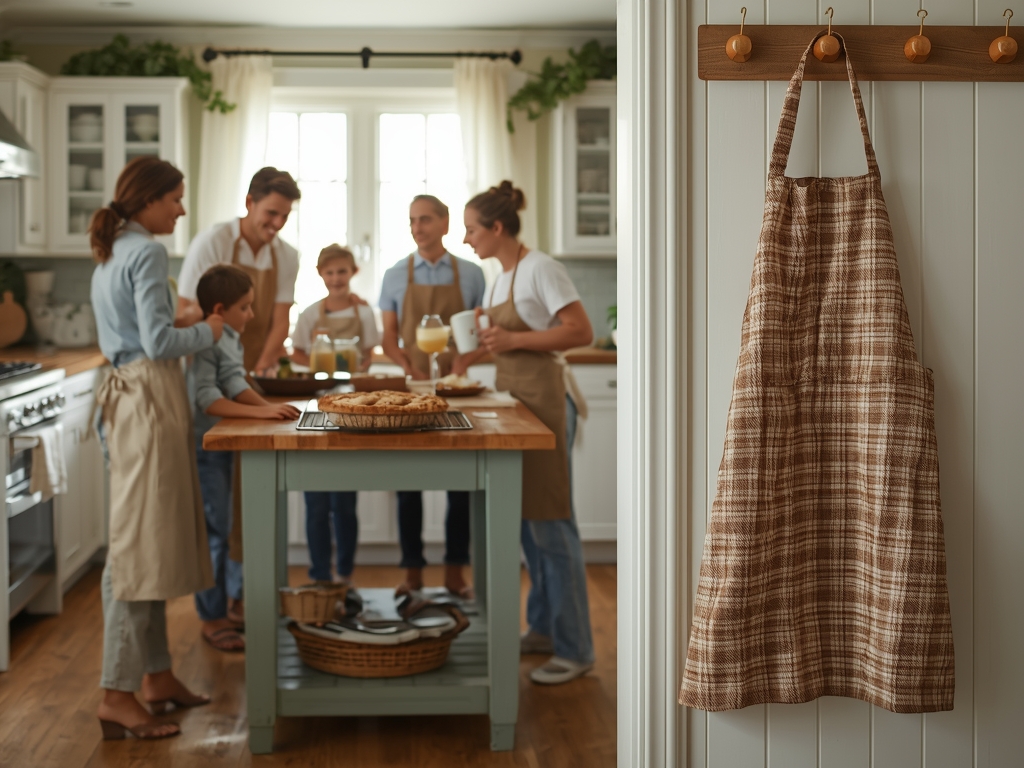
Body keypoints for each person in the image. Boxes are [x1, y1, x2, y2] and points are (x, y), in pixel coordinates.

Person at [89, 156, 222, 739]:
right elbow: (159, 340)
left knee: (145, 542)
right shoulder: (145, 251)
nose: (182, 209)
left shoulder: (118, 247)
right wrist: (211, 332)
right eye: (175, 199)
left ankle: (157, 677)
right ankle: (116, 692)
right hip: (146, 397)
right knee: (133, 551)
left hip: (133, 398)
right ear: (147, 201)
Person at [461, 181, 596, 685]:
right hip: (517, 402)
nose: (467, 238)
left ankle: (577, 648)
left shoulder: (542, 268)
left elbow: (579, 331)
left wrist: (513, 337)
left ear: (497, 228)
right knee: (527, 523)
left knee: (552, 524)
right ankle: (542, 628)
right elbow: (506, 342)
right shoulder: (500, 279)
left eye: (472, 229)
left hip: (546, 401)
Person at [175, 167, 303, 625]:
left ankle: (242, 600)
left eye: (285, 216)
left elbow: (280, 320)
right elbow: (189, 311)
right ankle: (217, 611)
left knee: (249, 511)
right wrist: (234, 372)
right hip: (214, 383)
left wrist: (258, 374)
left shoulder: (287, 255)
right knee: (217, 514)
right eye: (271, 213)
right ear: (249, 201)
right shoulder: (212, 243)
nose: (276, 224)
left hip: (248, 383)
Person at [378, 195, 487, 597]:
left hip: (457, 388)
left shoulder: (472, 274)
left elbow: (481, 332)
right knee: (409, 483)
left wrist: (462, 366)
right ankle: (412, 572)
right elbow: (388, 337)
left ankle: (456, 570)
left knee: (460, 484)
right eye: (411, 221)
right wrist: (409, 368)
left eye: (425, 219)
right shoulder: (394, 274)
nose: (417, 227)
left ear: (444, 223)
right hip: (413, 389)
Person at [189, 265, 300, 652]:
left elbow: (235, 380)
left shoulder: (230, 336)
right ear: (220, 308)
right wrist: (259, 414)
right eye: (246, 307)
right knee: (214, 533)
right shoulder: (208, 338)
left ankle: (226, 608)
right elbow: (205, 397)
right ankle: (211, 616)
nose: (253, 315)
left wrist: (270, 406)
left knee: (227, 527)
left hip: (222, 444)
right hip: (203, 447)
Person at [291, 245, 381, 585]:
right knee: (316, 504)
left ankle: (344, 573)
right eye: (329, 273)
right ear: (320, 275)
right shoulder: (311, 315)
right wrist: (319, 364)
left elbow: (369, 354)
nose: (336, 278)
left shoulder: (365, 313)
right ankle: (319, 575)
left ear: (352, 273)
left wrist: (357, 366)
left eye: (341, 272)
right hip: (318, 406)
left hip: (354, 408)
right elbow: (297, 354)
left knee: (344, 502)